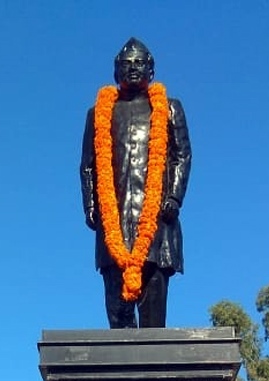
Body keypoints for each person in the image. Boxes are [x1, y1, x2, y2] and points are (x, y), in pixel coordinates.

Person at [80, 37, 192, 328]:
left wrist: (175, 197)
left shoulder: (168, 108)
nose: (132, 68)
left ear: (150, 69)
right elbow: (89, 166)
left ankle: (154, 370)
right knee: (117, 316)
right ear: (116, 71)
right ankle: (119, 371)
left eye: (139, 63)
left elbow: (182, 154)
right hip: (113, 220)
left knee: (153, 319)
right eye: (126, 64)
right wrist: (91, 205)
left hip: (156, 222)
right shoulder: (98, 114)